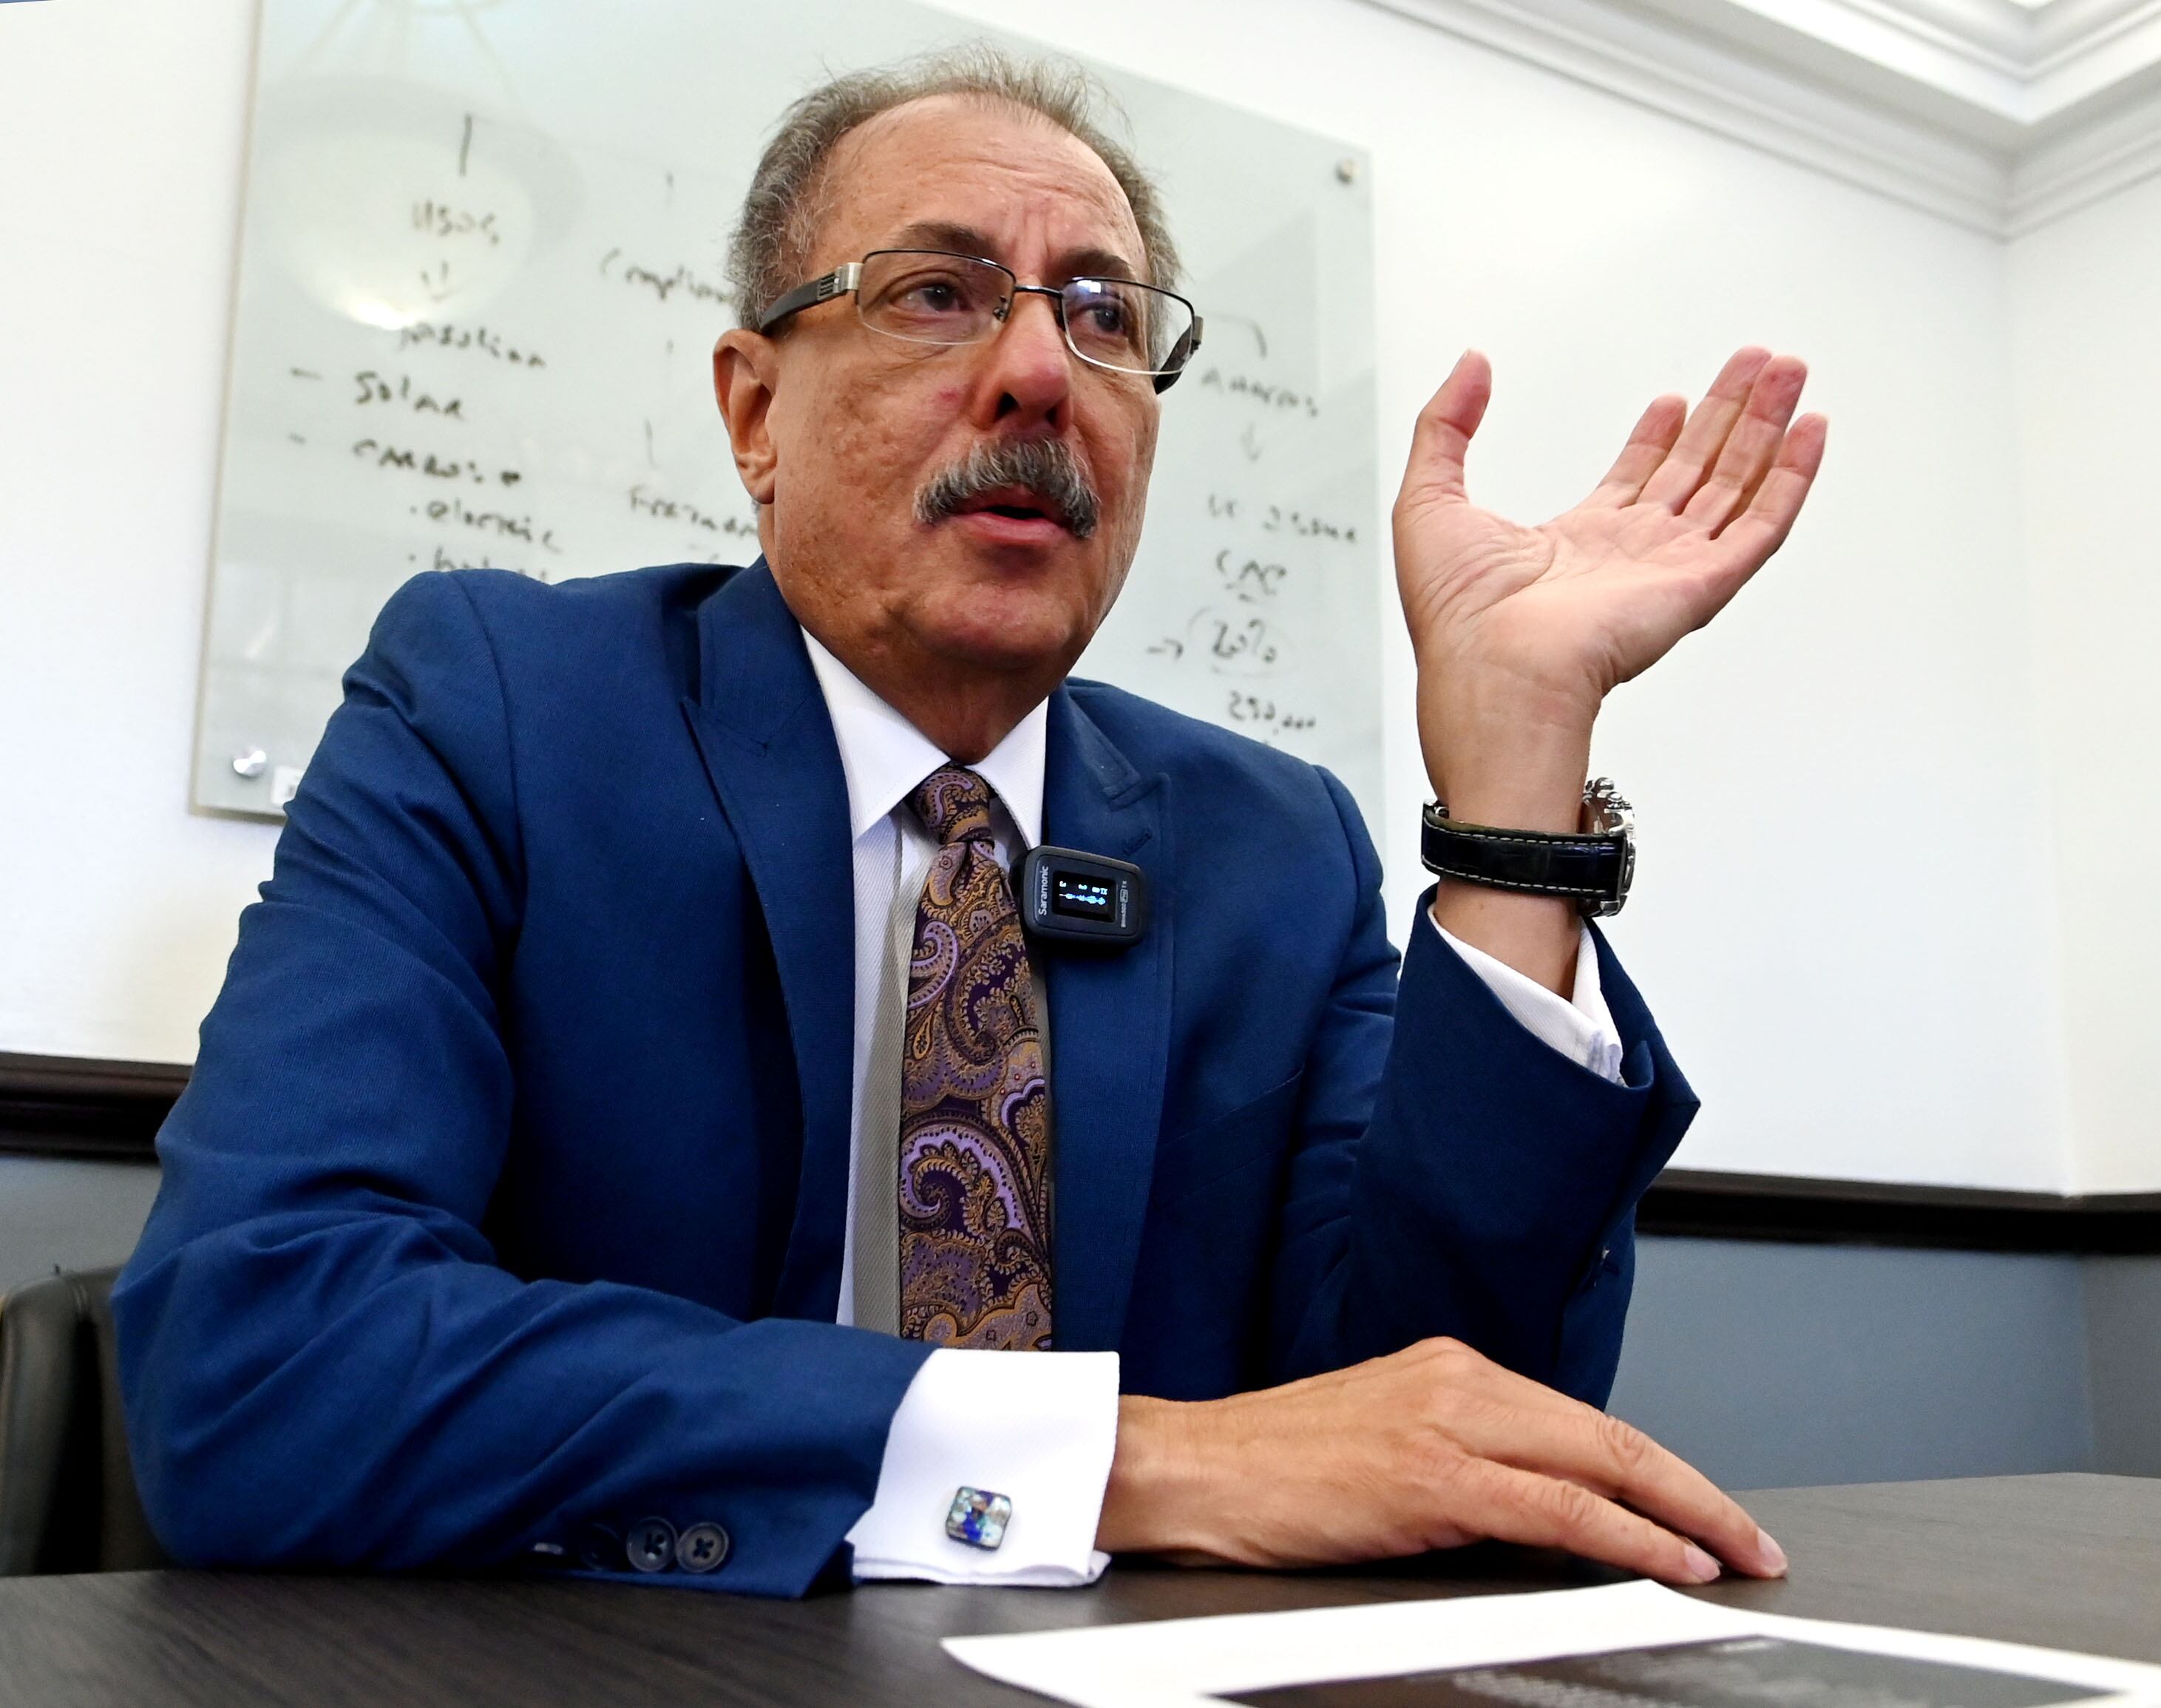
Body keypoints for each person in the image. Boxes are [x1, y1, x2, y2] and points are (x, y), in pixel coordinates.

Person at [115, 49, 1825, 1599]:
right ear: (755, 412)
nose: (1036, 372)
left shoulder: (1274, 850)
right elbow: (260, 1362)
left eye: (1101, 315)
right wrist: (1116, 1463)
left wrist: (1515, 785)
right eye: (937, 295)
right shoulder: (499, 709)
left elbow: (1453, 1427)